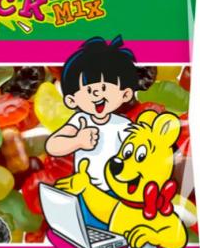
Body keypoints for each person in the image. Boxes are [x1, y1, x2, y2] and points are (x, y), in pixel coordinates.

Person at [46, 36, 139, 226]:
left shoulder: (122, 125)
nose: (97, 94)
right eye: (88, 90)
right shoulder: (80, 120)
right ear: (72, 100)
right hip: (84, 190)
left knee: (114, 227)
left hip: (117, 192)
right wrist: (77, 141)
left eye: (104, 87)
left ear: (126, 94)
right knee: (86, 229)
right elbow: (53, 145)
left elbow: (140, 154)